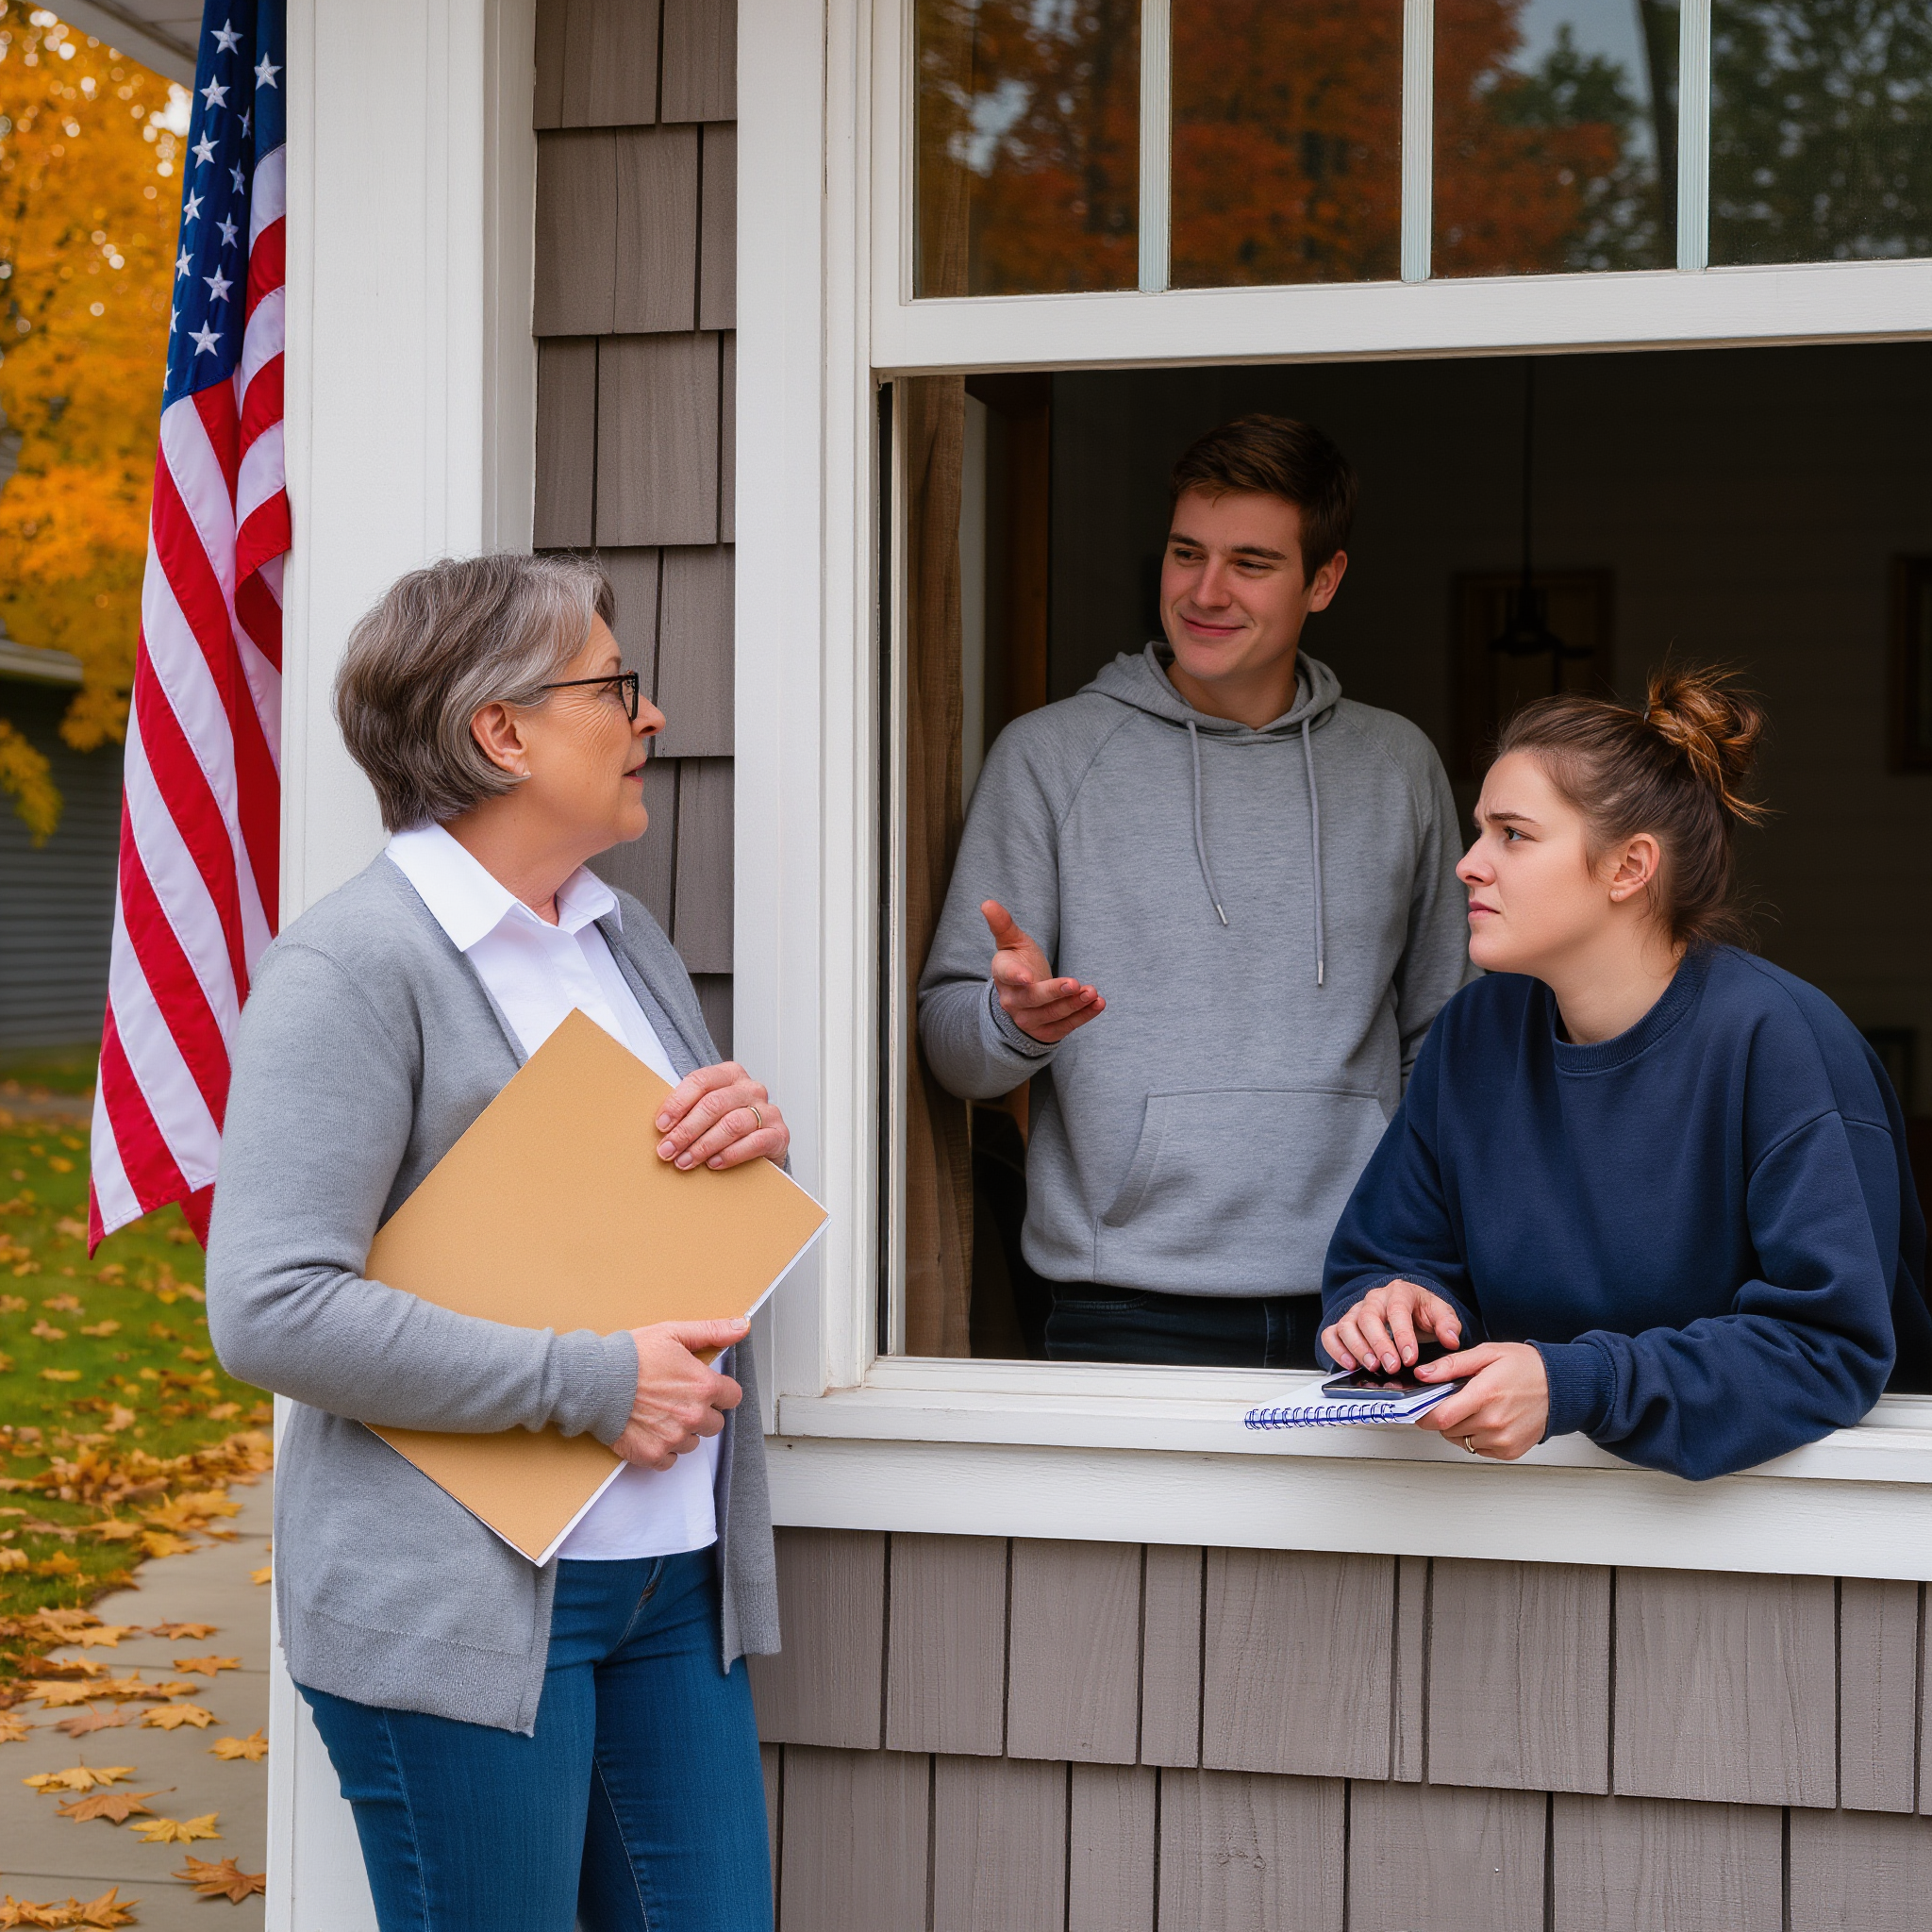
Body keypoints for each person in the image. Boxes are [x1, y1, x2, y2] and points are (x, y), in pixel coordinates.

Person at [206, 556, 784, 1931]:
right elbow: (271, 1308)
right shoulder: (355, 968)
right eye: (615, 686)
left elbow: (618, 1222)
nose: (648, 718)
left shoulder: (619, 935)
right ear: (500, 731)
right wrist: (588, 1386)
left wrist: (744, 1134)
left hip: (665, 1583)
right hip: (454, 1606)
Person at [919, 415, 1472, 1367]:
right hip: (1119, 1301)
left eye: (1250, 563)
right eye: (1186, 553)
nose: (1204, 592)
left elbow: (1448, 1039)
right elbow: (952, 1048)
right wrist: (1015, 1026)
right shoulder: (1049, 757)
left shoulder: (1395, 765)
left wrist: (1409, 1241)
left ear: (1324, 580)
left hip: (1359, 1293)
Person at [1321, 667, 1931, 1480]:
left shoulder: (1780, 1043)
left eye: (1513, 834)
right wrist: (1395, 1307)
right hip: (1516, 1510)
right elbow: (1382, 1255)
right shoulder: (1474, 1034)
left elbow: (1829, 1347)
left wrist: (1580, 1383)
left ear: (1628, 868)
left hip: (1808, 1522)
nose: (1469, 864)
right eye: (1479, 831)